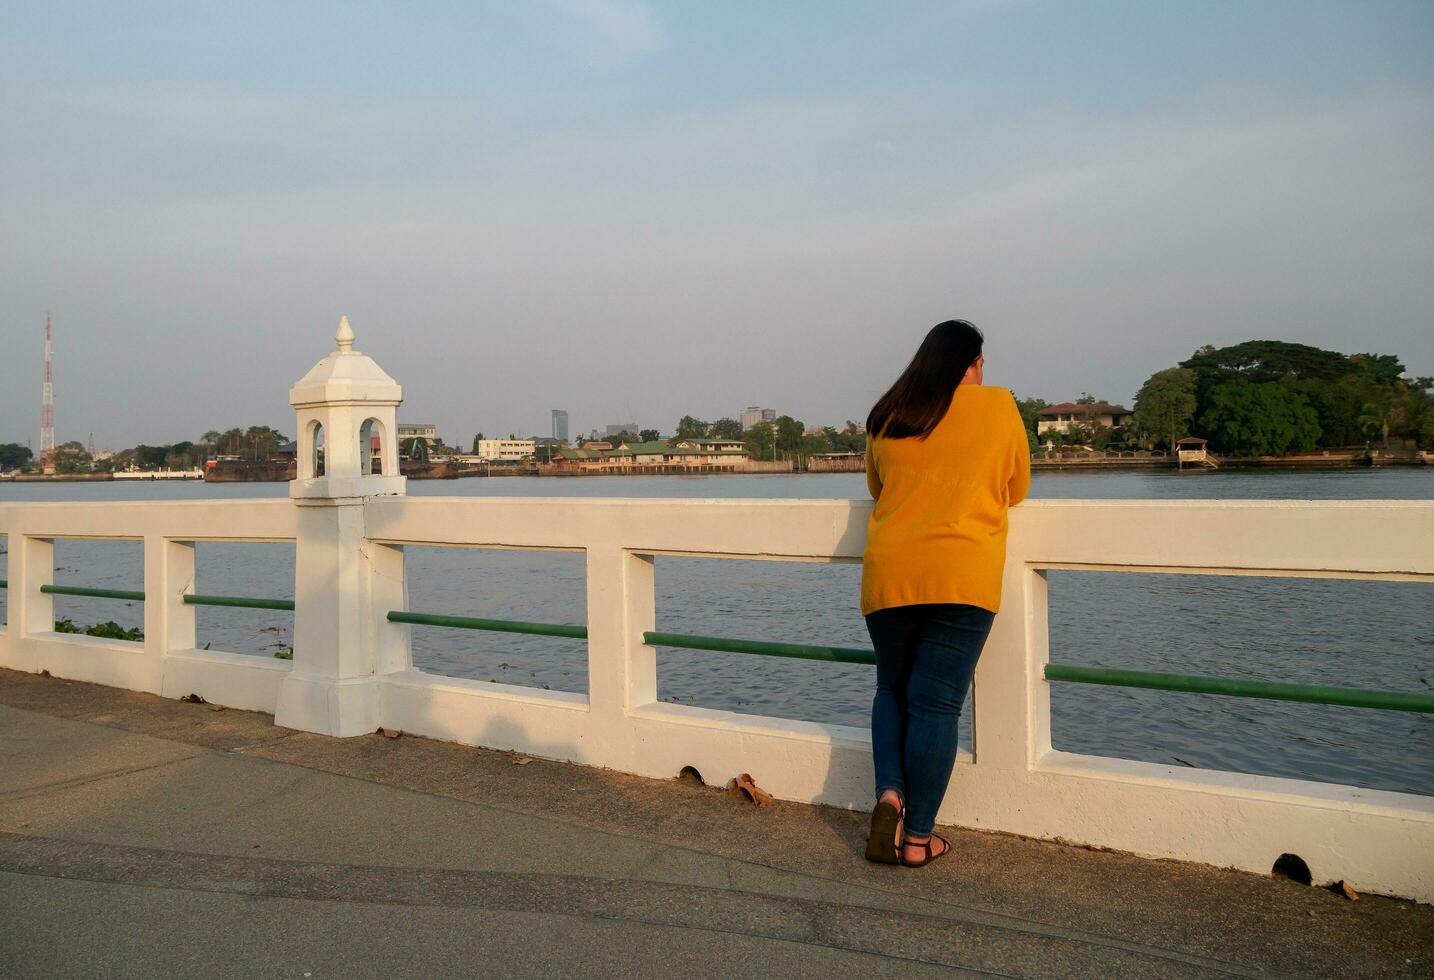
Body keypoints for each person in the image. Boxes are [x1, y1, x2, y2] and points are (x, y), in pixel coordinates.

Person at [860, 319, 1030, 868]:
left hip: (890, 574)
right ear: (972, 364)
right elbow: (1018, 488)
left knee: (891, 690)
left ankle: (889, 793)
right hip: (962, 576)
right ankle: (917, 841)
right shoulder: (999, 406)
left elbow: (876, 488)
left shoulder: (889, 413)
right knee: (935, 705)